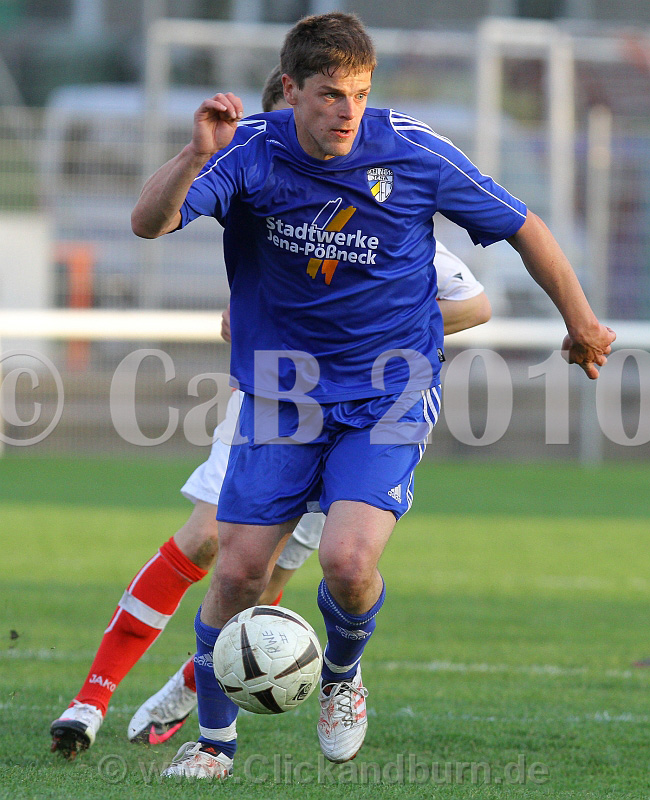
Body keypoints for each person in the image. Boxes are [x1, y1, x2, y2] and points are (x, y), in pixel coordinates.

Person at [130, 12, 614, 780]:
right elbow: (147, 223)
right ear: (291, 89)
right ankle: (215, 744)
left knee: (348, 562)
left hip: (388, 391)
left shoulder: (414, 151)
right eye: (330, 94)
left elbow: (524, 225)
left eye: (359, 93)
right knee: (238, 573)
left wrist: (581, 322)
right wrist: (195, 155)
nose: (348, 111)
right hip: (282, 393)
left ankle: (342, 675)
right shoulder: (247, 149)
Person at [48, 64, 490, 761]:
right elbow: (185, 238)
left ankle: (199, 690)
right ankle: (93, 699)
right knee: (212, 542)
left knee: (278, 577)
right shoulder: (258, 192)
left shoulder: (382, 217)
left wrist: (379, 328)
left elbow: (475, 302)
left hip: (357, 408)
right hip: (274, 402)